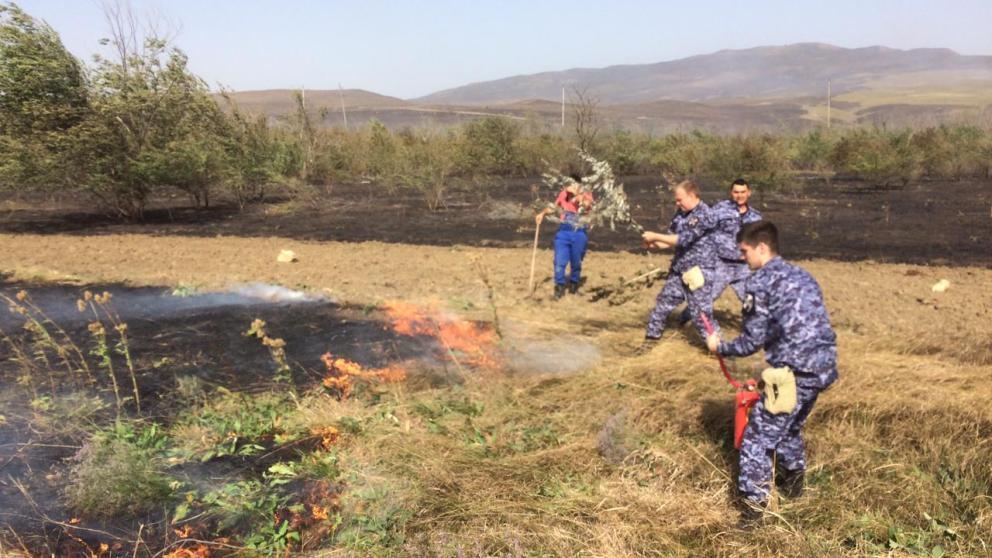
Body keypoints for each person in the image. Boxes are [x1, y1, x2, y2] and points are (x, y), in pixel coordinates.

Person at [705, 221, 838, 527]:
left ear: (762, 247)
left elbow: (751, 341)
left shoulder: (760, 282)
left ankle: (755, 510)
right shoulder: (803, 275)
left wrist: (719, 346)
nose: (742, 258)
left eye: (745, 251)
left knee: (756, 439)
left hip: (795, 373)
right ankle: (793, 486)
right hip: (824, 368)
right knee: (789, 427)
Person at [635, 180, 723, 353]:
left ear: (692, 196)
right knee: (662, 304)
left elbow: (683, 239)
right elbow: (670, 239)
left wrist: (655, 236)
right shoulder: (680, 214)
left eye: (679, 200)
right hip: (679, 271)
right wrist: (654, 244)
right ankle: (650, 341)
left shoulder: (706, 214)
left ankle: (720, 349)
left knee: (701, 315)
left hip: (699, 273)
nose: (677, 203)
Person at [677, 178, 763, 325]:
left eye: (743, 192)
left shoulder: (756, 217)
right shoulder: (720, 209)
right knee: (707, 297)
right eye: (736, 192)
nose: (739, 195)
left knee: (750, 298)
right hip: (721, 264)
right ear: (731, 193)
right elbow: (702, 223)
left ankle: (754, 327)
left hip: (743, 267)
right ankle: (683, 319)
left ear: (749, 193)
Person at [536, 174, 594, 299]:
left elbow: (587, 205)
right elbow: (554, 207)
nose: (569, 186)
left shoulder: (586, 194)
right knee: (559, 261)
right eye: (568, 184)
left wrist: (577, 194)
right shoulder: (563, 194)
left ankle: (574, 283)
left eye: (572, 183)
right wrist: (542, 214)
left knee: (576, 262)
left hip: (579, 232)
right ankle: (559, 287)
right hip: (564, 231)